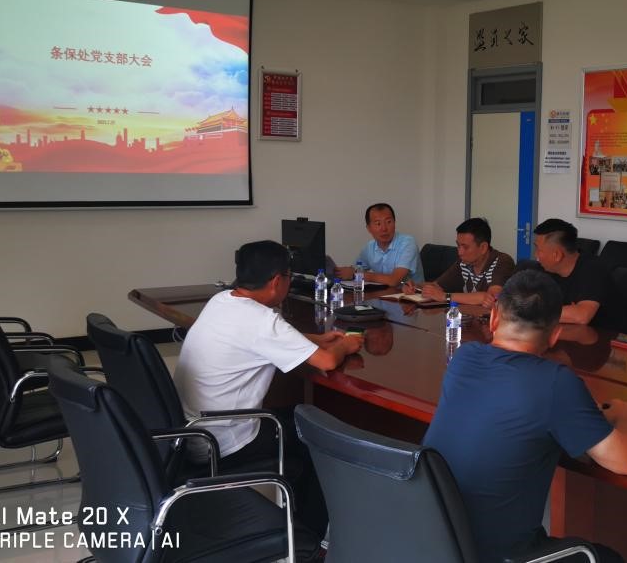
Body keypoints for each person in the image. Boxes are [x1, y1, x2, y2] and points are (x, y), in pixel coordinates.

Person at [423, 270, 627, 563]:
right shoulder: (556, 383)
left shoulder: (464, 357)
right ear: (555, 335)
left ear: (494, 318)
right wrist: (626, 417)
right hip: (499, 555)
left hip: (434, 543)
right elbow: (626, 462)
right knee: (608, 558)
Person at [174, 240, 363, 540]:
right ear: (277, 281)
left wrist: (315, 339)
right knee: (320, 443)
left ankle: (296, 524)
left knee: (299, 415)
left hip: (193, 433)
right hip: (226, 441)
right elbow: (327, 362)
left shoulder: (222, 300)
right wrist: (346, 344)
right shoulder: (262, 320)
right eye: (289, 276)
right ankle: (309, 540)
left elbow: (263, 337)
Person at [404, 217, 515, 307]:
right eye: (458, 246)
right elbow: (436, 286)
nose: (460, 252)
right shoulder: (464, 263)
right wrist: (415, 287)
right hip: (468, 320)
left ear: (483, 248)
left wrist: (445, 296)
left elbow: (491, 297)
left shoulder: (502, 261)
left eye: (465, 247)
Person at [531, 218, 613, 325]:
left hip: (607, 334)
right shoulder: (545, 269)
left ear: (557, 255)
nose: (535, 255)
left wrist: (533, 312)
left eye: (538, 249)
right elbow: (524, 300)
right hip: (564, 330)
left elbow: (582, 316)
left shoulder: (594, 269)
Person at [336, 202, 422, 286]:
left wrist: (356, 275)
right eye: (378, 223)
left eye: (388, 222)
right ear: (369, 228)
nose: (384, 228)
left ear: (395, 223)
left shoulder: (408, 243)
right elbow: (354, 269)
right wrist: (341, 272)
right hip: (384, 293)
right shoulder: (369, 248)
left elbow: (394, 280)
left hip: (411, 294)